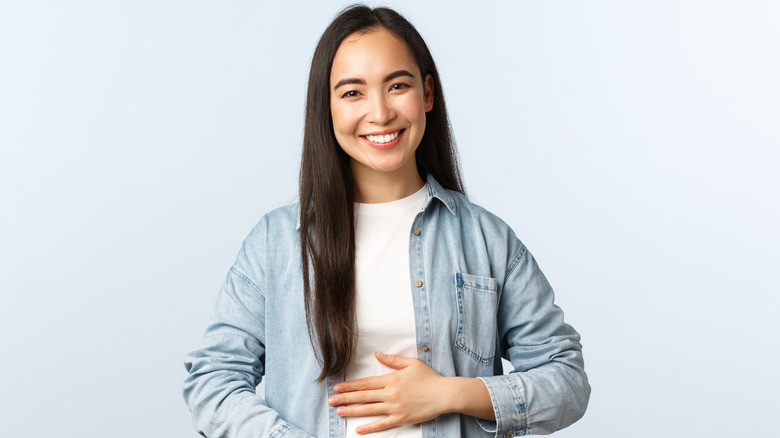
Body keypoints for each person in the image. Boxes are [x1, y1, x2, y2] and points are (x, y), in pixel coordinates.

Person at [183, 5, 590, 437]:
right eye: (352, 93)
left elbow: (566, 381)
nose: (380, 113)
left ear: (427, 94)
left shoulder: (486, 239)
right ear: (328, 108)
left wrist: (449, 394)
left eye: (397, 85)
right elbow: (213, 381)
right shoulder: (277, 242)